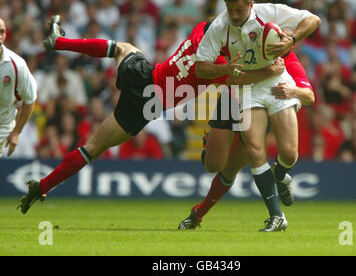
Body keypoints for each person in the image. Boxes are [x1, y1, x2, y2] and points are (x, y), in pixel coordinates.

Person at [17, 15, 284, 214]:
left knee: (125, 48)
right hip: (150, 106)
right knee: (93, 148)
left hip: (144, 80)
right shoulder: (222, 67)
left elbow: (216, 27)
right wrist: (268, 72)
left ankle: (58, 41)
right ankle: (41, 187)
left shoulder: (200, 32)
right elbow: (240, 79)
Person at [191, 0, 321, 231]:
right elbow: (201, 68)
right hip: (244, 89)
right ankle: (277, 217)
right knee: (251, 151)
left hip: (275, 85)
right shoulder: (219, 25)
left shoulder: (269, 13)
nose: (234, 15)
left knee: (289, 153)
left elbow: (313, 20)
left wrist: (292, 39)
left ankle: (281, 174)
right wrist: (223, 68)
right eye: (230, 10)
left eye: (239, 10)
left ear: (251, 4)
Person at [178, 51, 315, 231]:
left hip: (256, 112)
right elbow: (227, 78)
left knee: (231, 169)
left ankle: (199, 213)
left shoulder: (287, 59)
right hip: (231, 101)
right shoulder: (246, 48)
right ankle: (209, 148)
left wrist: (293, 91)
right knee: (213, 165)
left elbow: (309, 96)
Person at [0, 18, 37, 158]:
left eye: (2, 32)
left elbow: (30, 99)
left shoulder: (17, 65)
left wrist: (16, 132)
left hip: (1, 125)